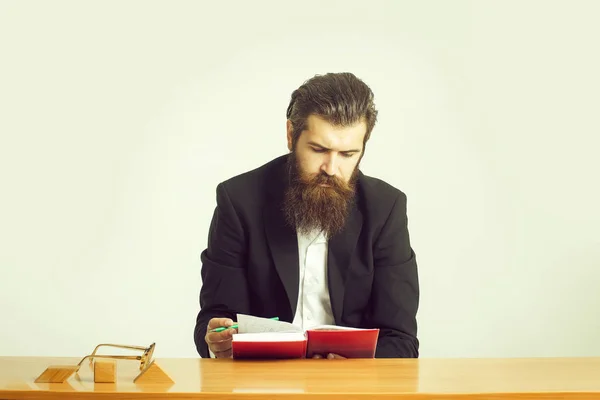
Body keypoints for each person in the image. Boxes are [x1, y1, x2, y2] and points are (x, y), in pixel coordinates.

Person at [193, 72, 419, 359]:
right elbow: (214, 320)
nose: (331, 168)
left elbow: (401, 340)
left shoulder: (386, 207)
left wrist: (353, 373)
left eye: (348, 154)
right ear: (291, 135)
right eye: (318, 149)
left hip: (352, 389)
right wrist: (217, 338)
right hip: (262, 385)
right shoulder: (239, 200)